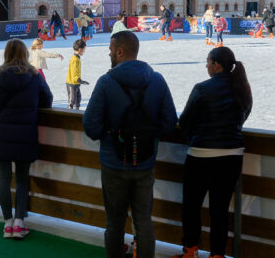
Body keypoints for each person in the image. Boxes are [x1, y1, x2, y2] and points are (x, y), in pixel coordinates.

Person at [83, 31, 178, 258]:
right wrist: (150, 136)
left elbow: (91, 126)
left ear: (119, 51)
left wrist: (110, 134)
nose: (109, 53)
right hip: (144, 162)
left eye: (110, 49)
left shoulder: (106, 82)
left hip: (113, 162)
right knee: (143, 220)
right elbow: (169, 122)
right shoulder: (156, 79)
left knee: (114, 222)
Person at [174, 47, 252, 258]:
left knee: (191, 206)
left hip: (201, 155)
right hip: (232, 156)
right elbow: (243, 116)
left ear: (216, 65)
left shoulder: (202, 89)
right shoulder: (242, 89)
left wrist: (195, 137)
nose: (206, 66)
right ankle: (217, 254)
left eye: (207, 62)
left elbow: (185, 121)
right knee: (219, 210)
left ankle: (190, 250)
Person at [0, 39, 53, 239]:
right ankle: (20, 222)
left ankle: (7, 223)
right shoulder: (34, 75)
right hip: (25, 134)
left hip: (1, 134)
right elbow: (47, 101)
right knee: (22, 179)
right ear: (25, 54)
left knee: (3, 178)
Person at [66, 39, 88, 110]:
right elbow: (74, 73)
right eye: (84, 49)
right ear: (80, 49)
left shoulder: (77, 58)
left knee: (78, 99)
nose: (84, 51)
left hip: (76, 83)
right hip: (72, 83)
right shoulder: (75, 60)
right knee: (72, 100)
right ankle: (69, 114)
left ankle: (76, 112)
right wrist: (80, 80)